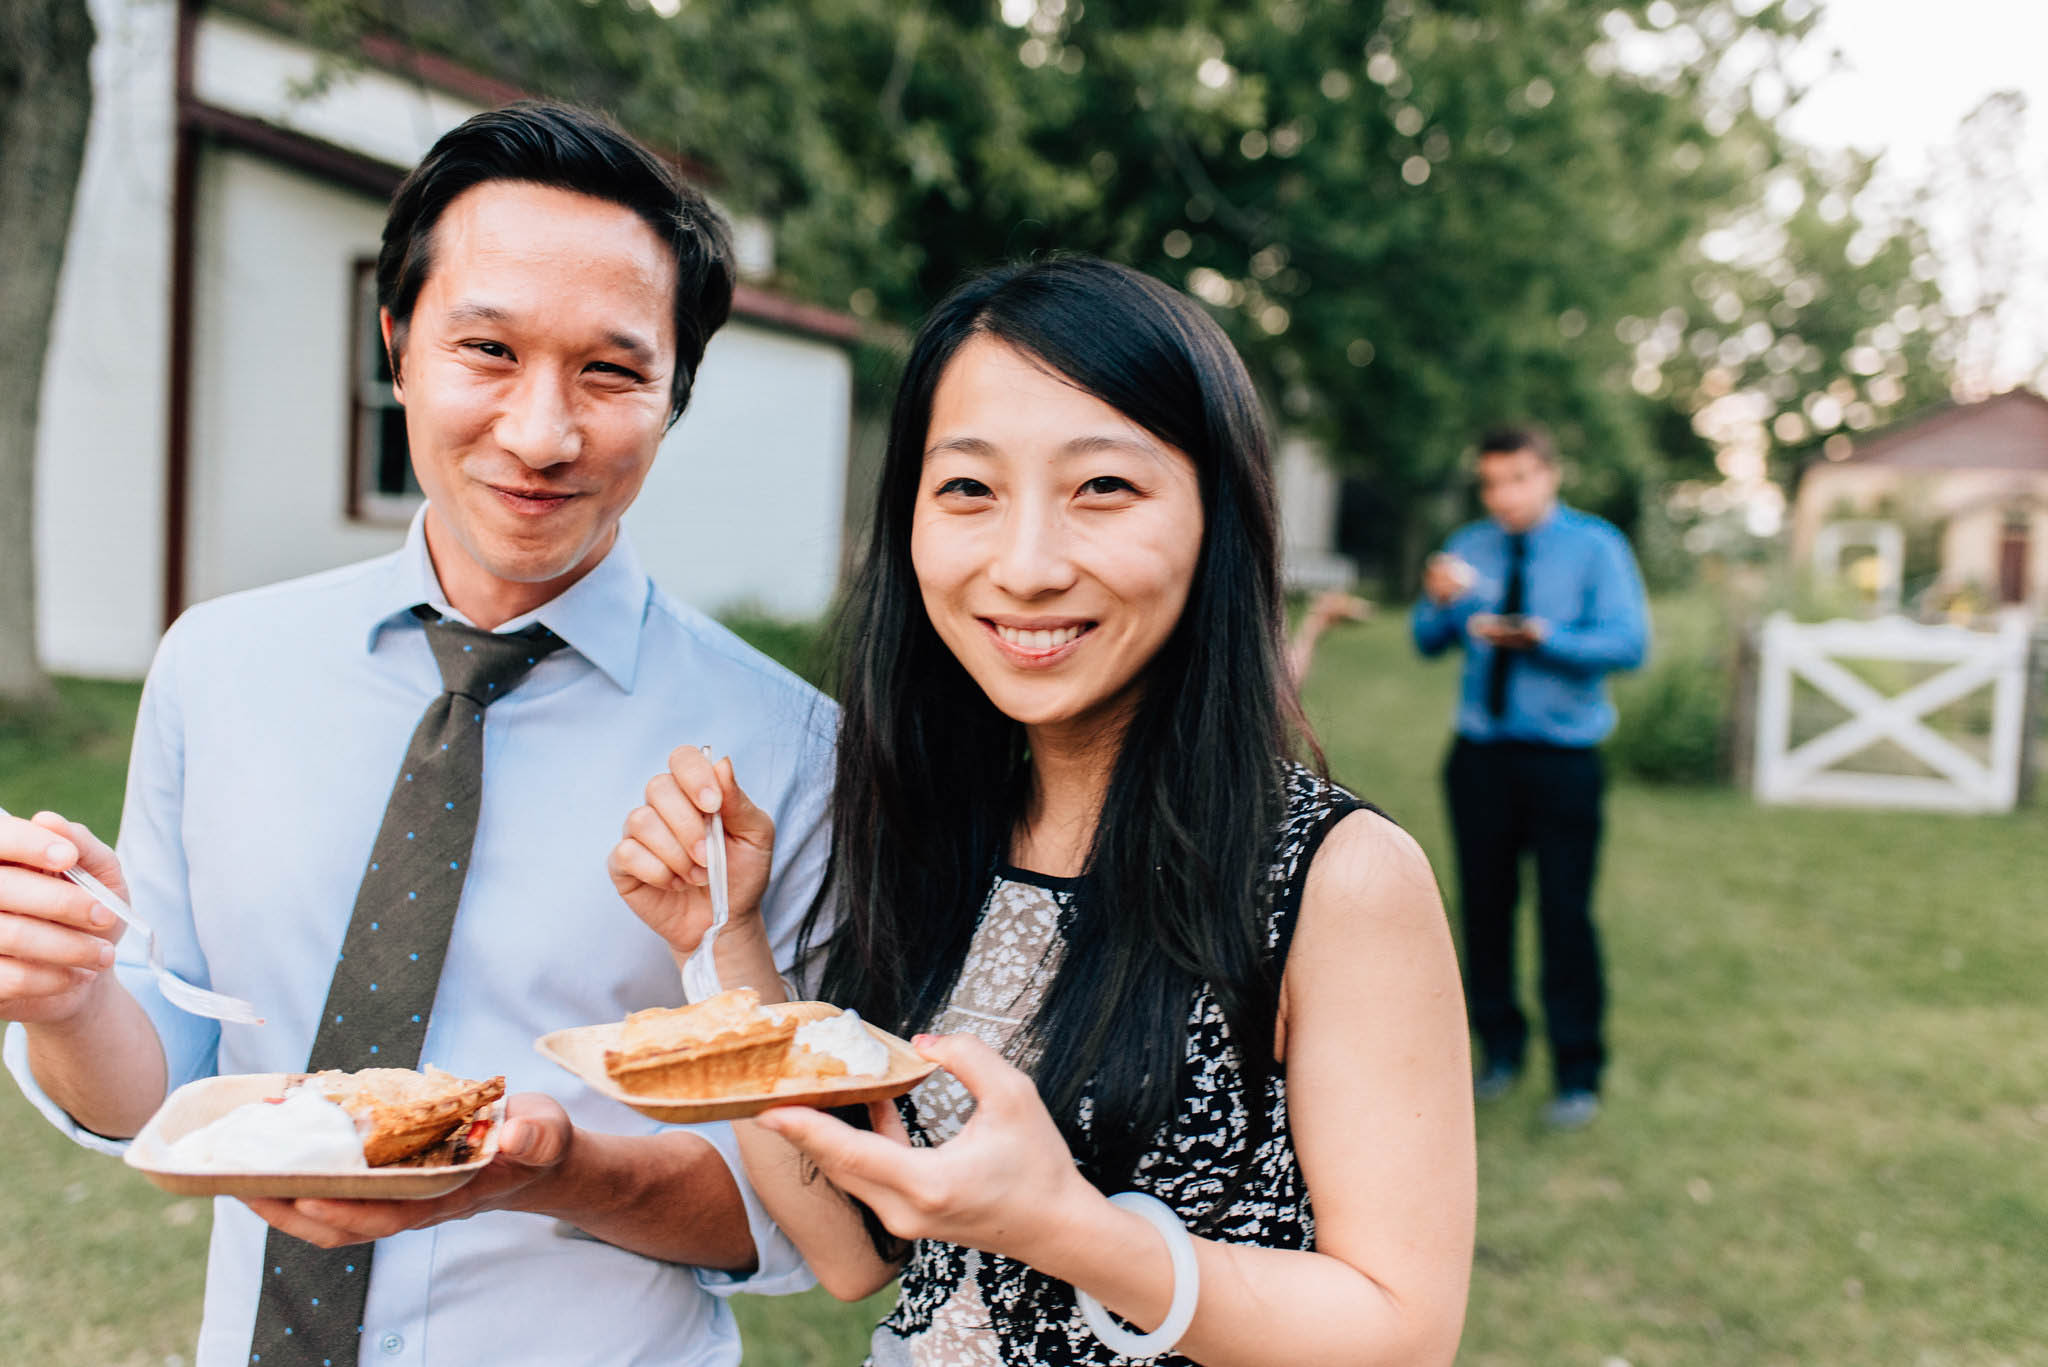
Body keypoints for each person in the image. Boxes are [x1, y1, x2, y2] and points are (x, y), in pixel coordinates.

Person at [0, 102, 834, 1366]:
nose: (542, 434)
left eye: (611, 372)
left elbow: (800, 1217)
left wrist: (544, 1169)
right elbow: (161, 1087)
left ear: (674, 397)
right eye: (487, 350)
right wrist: (65, 998)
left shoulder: (788, 748)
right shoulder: (216, 667)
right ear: (397, 344)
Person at [610, 257, 1476, 1365]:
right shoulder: (936, 830)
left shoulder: (1334, 875)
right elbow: (854, 1250)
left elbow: (1403, 1332)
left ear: (1218, 514)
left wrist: (1068, 1227)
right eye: (967, 489)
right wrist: (722, 947)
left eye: (1101, 488)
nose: (1022, 566)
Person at [1410, 425, 1648, 1130]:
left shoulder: (1597, 546)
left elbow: (1629, 643)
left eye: (1517, 478)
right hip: (1480, 756)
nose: (1503, 495)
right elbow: (1426, 641)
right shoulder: (1470, 546)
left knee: (1564, 912)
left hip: (1563, 760)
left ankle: (1578, 1071)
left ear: (1549, 473)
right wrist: (1437, 597)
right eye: (1491, 482)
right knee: (1484, 908)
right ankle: (1498, 1050)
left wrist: (1547, 636)